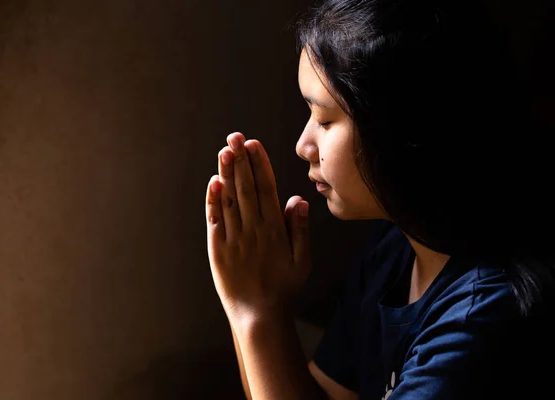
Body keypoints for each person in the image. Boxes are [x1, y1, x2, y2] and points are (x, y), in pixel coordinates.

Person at [204, 0, 554, 399]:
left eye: (324, 120)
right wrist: (252, 301)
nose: (303, 145)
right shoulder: (394, 252)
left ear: (402, 130)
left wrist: (257, 311)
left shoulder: (479, 320)